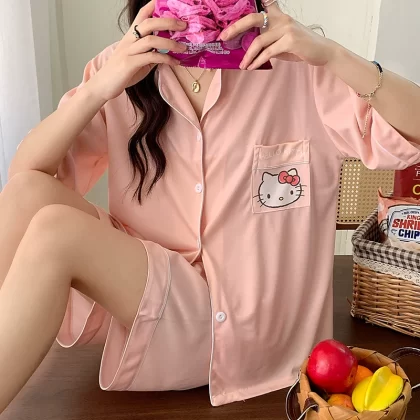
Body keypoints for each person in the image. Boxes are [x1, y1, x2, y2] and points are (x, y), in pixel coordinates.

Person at [1, 0, 420, 412]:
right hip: (145, 295)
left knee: (55, 232)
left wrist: (333, 55)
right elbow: (25, 178)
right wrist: (98, 89)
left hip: (243, 327)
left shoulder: (300, 65)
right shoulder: (124, 65)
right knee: (27, 195)